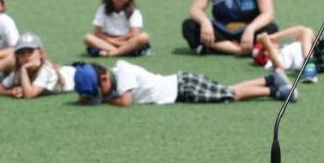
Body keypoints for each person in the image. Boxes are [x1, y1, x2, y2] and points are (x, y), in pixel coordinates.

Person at [73, 60, 297, 107]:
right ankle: (269, 79)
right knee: (229, 89)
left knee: (229, 95)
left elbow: (126, 102)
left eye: (97, 91)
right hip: (182, 85)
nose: (98, 96)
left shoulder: (123, 72)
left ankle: (275, 91)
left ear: (104, 79)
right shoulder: (114, 75)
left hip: (183, 87)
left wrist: (103, 100)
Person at [83, 0, 151, 58]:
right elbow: (97, 33)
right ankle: (124, 51)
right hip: (107, 40)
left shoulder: (134, 11)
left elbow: (135, 33)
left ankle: (113, 53)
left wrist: (120, 41)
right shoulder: (103, 9)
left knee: (144, 37)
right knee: (88, 38)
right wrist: (113, 41)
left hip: (127, 41)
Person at [0, 32, 75, 99]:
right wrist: (10, 92)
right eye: (22, 53)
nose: (26, 57)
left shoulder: (45, 70)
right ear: (17, 57)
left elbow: (29, 95)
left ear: (40, 53)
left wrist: (24, 69)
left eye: (30, 52)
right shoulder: (19, 71)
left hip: (76, 75)